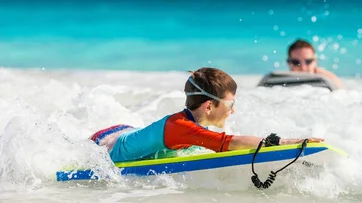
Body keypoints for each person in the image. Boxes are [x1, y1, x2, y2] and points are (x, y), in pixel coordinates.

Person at [90, 67, 324, 163]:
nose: (234, 110)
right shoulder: (181, 126)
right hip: (104, 145)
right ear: (209, 107)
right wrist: (281, 142)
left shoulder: (190, 122)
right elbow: (225, 143)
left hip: (124, 132)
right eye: (230, 104)